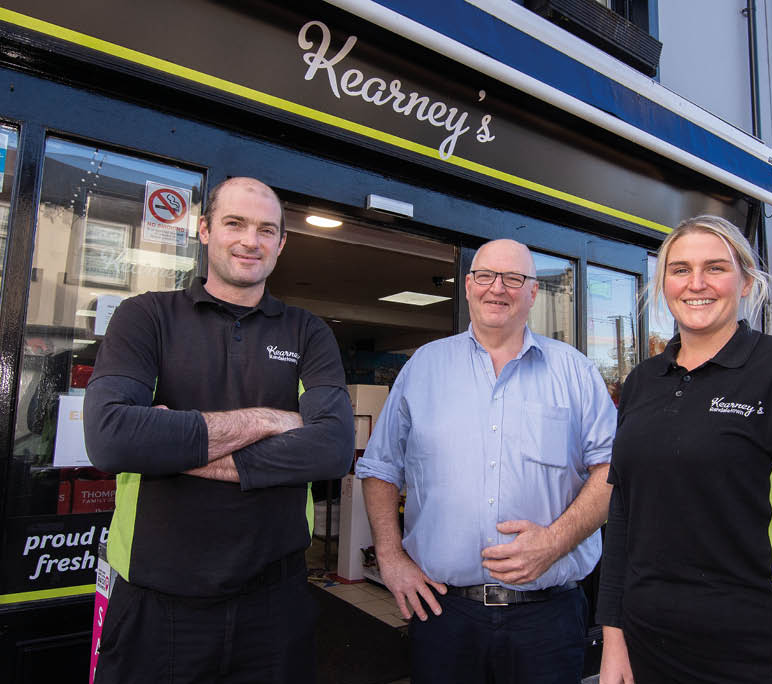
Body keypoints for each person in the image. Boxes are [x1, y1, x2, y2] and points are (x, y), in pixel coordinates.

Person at [83, 177, 354, 684]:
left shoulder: (307, 332)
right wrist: (270, 420)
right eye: (235, 223)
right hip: (158, 603)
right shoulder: (146, 316)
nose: (251, 240)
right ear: (205, 230)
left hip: (275, 606)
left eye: (266, 229)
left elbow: (333, 450)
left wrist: (169, 447)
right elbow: (111, 437)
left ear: (281, 244)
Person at [597, 215, 772, 684]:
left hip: (757, 653)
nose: (696, 283)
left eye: (715, 268)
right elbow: (623, 516)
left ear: (745, 282)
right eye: (679, 270)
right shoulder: (642, 382)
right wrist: (613, 638)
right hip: (647, 649)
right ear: (663, 284)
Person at [356, 238, 616, 684]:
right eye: (485, 276)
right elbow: (380, 467)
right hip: (444, 613)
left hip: (547, 620)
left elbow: (612, 471)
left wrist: (554, 541)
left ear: (533, 292)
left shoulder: (575, 372)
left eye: (514, 278)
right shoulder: (424, 367)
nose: (498, 288)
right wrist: (390, 555)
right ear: (469, 285)